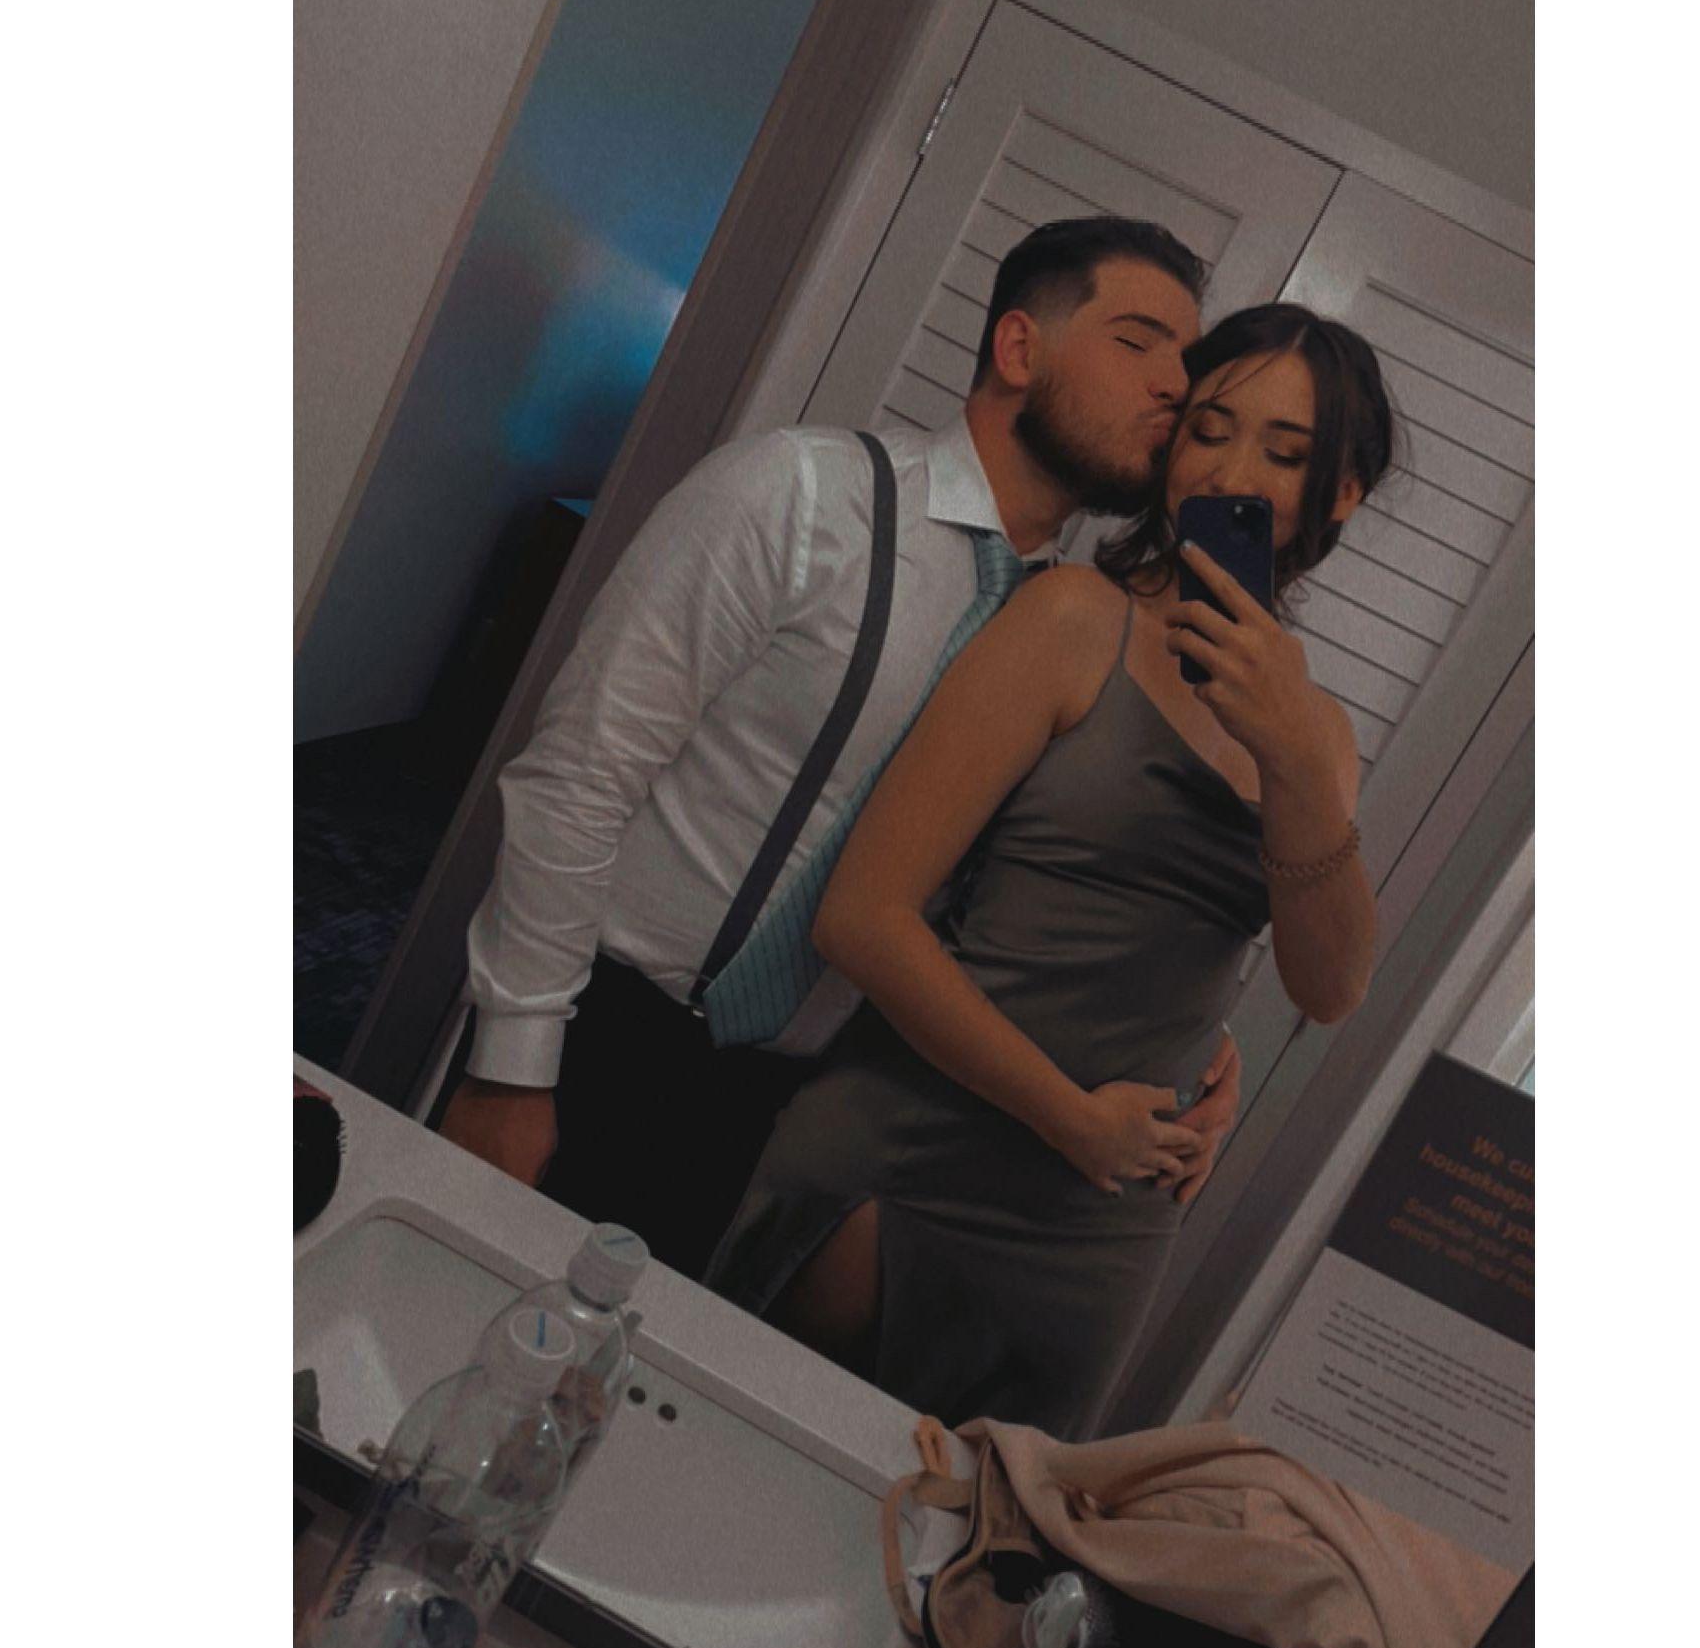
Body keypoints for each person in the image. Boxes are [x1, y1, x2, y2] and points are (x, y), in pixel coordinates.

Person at [439, 217, 1251, 1273]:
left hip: (780, 1111)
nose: (1176, 387)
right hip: (593, 1026)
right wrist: (512, 1067)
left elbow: (1043, 897)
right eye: (1139, 342)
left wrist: (1195, 1043)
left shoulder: (1067, 643)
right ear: (1018, 348)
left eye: (1187, 361)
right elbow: (578, 775)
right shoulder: (797, 493)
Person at [703, 302, 1390, 1439]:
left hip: (1106, 1220)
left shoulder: (1320, 737)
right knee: (738, 1457)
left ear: (1343, 493)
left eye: (1285, 453)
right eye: (1210, 429)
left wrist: (1295, 759)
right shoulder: (1073, 619)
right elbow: (863, 916)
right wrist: (1069, 1117)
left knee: (974, 1531)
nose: (1233, 472)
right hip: (920, 1144)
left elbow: (1332, 988)